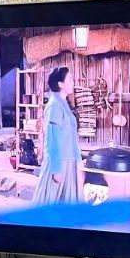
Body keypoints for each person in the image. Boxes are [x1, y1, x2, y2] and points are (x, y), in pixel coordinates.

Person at [33, 66, 83, 205]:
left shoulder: (64, 104)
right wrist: (56, 169)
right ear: (60, 84)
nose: (73, 83)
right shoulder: (54, 105)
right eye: (70, 80)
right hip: (59, 162)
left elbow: (72, 137)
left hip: (70, 161)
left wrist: (78, 161)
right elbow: (53, 138)